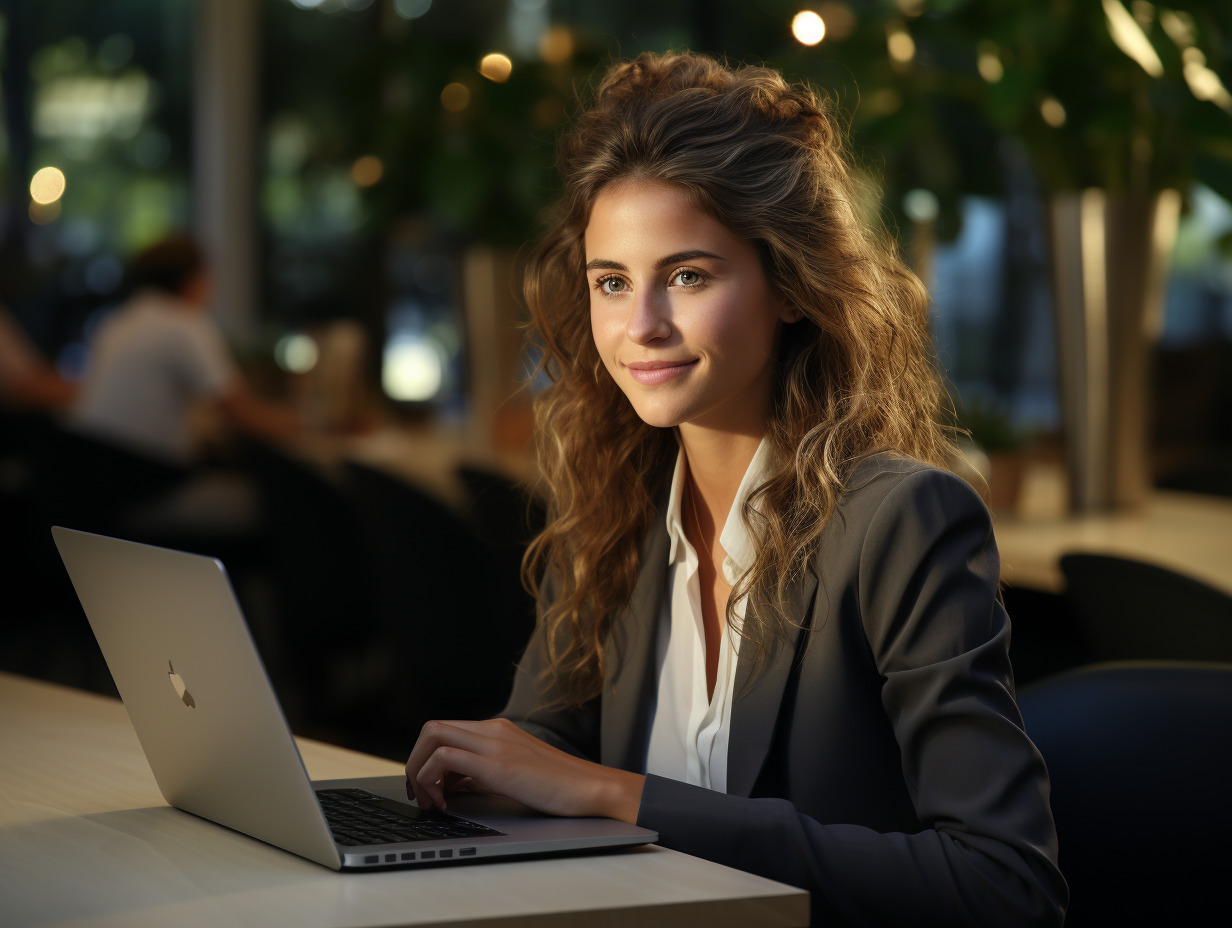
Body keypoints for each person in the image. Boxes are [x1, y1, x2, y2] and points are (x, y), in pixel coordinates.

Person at [405, 52, 1067, 925]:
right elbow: (545, 753)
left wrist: (620, 796)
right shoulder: (616, 508)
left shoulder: (901, 521)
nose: (640, 327)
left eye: (687, 276)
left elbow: (1004, 887)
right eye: (612, 282)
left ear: (790, 284)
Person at [69, 234, 297, 464]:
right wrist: (311, 423)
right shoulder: (184, 323)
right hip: (141, 480)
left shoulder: (116, 323)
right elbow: (244, 416)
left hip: (89, 473)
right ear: (194, 279)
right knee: (245, 495)